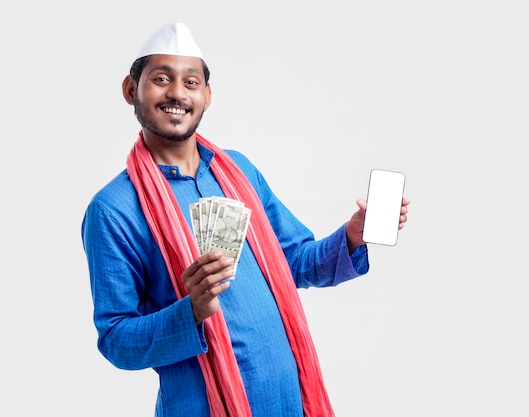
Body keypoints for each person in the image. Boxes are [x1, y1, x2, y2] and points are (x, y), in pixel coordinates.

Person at [81, 22, 410, 417]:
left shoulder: (239, 171)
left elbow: (297, 262)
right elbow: (117, 339)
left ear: (207, 95)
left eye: (191, 82)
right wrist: (192, 311)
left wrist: (352, 237)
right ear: (131, 90)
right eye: (161, 79)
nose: (176, 93)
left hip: (290, 400)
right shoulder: (113, 209)